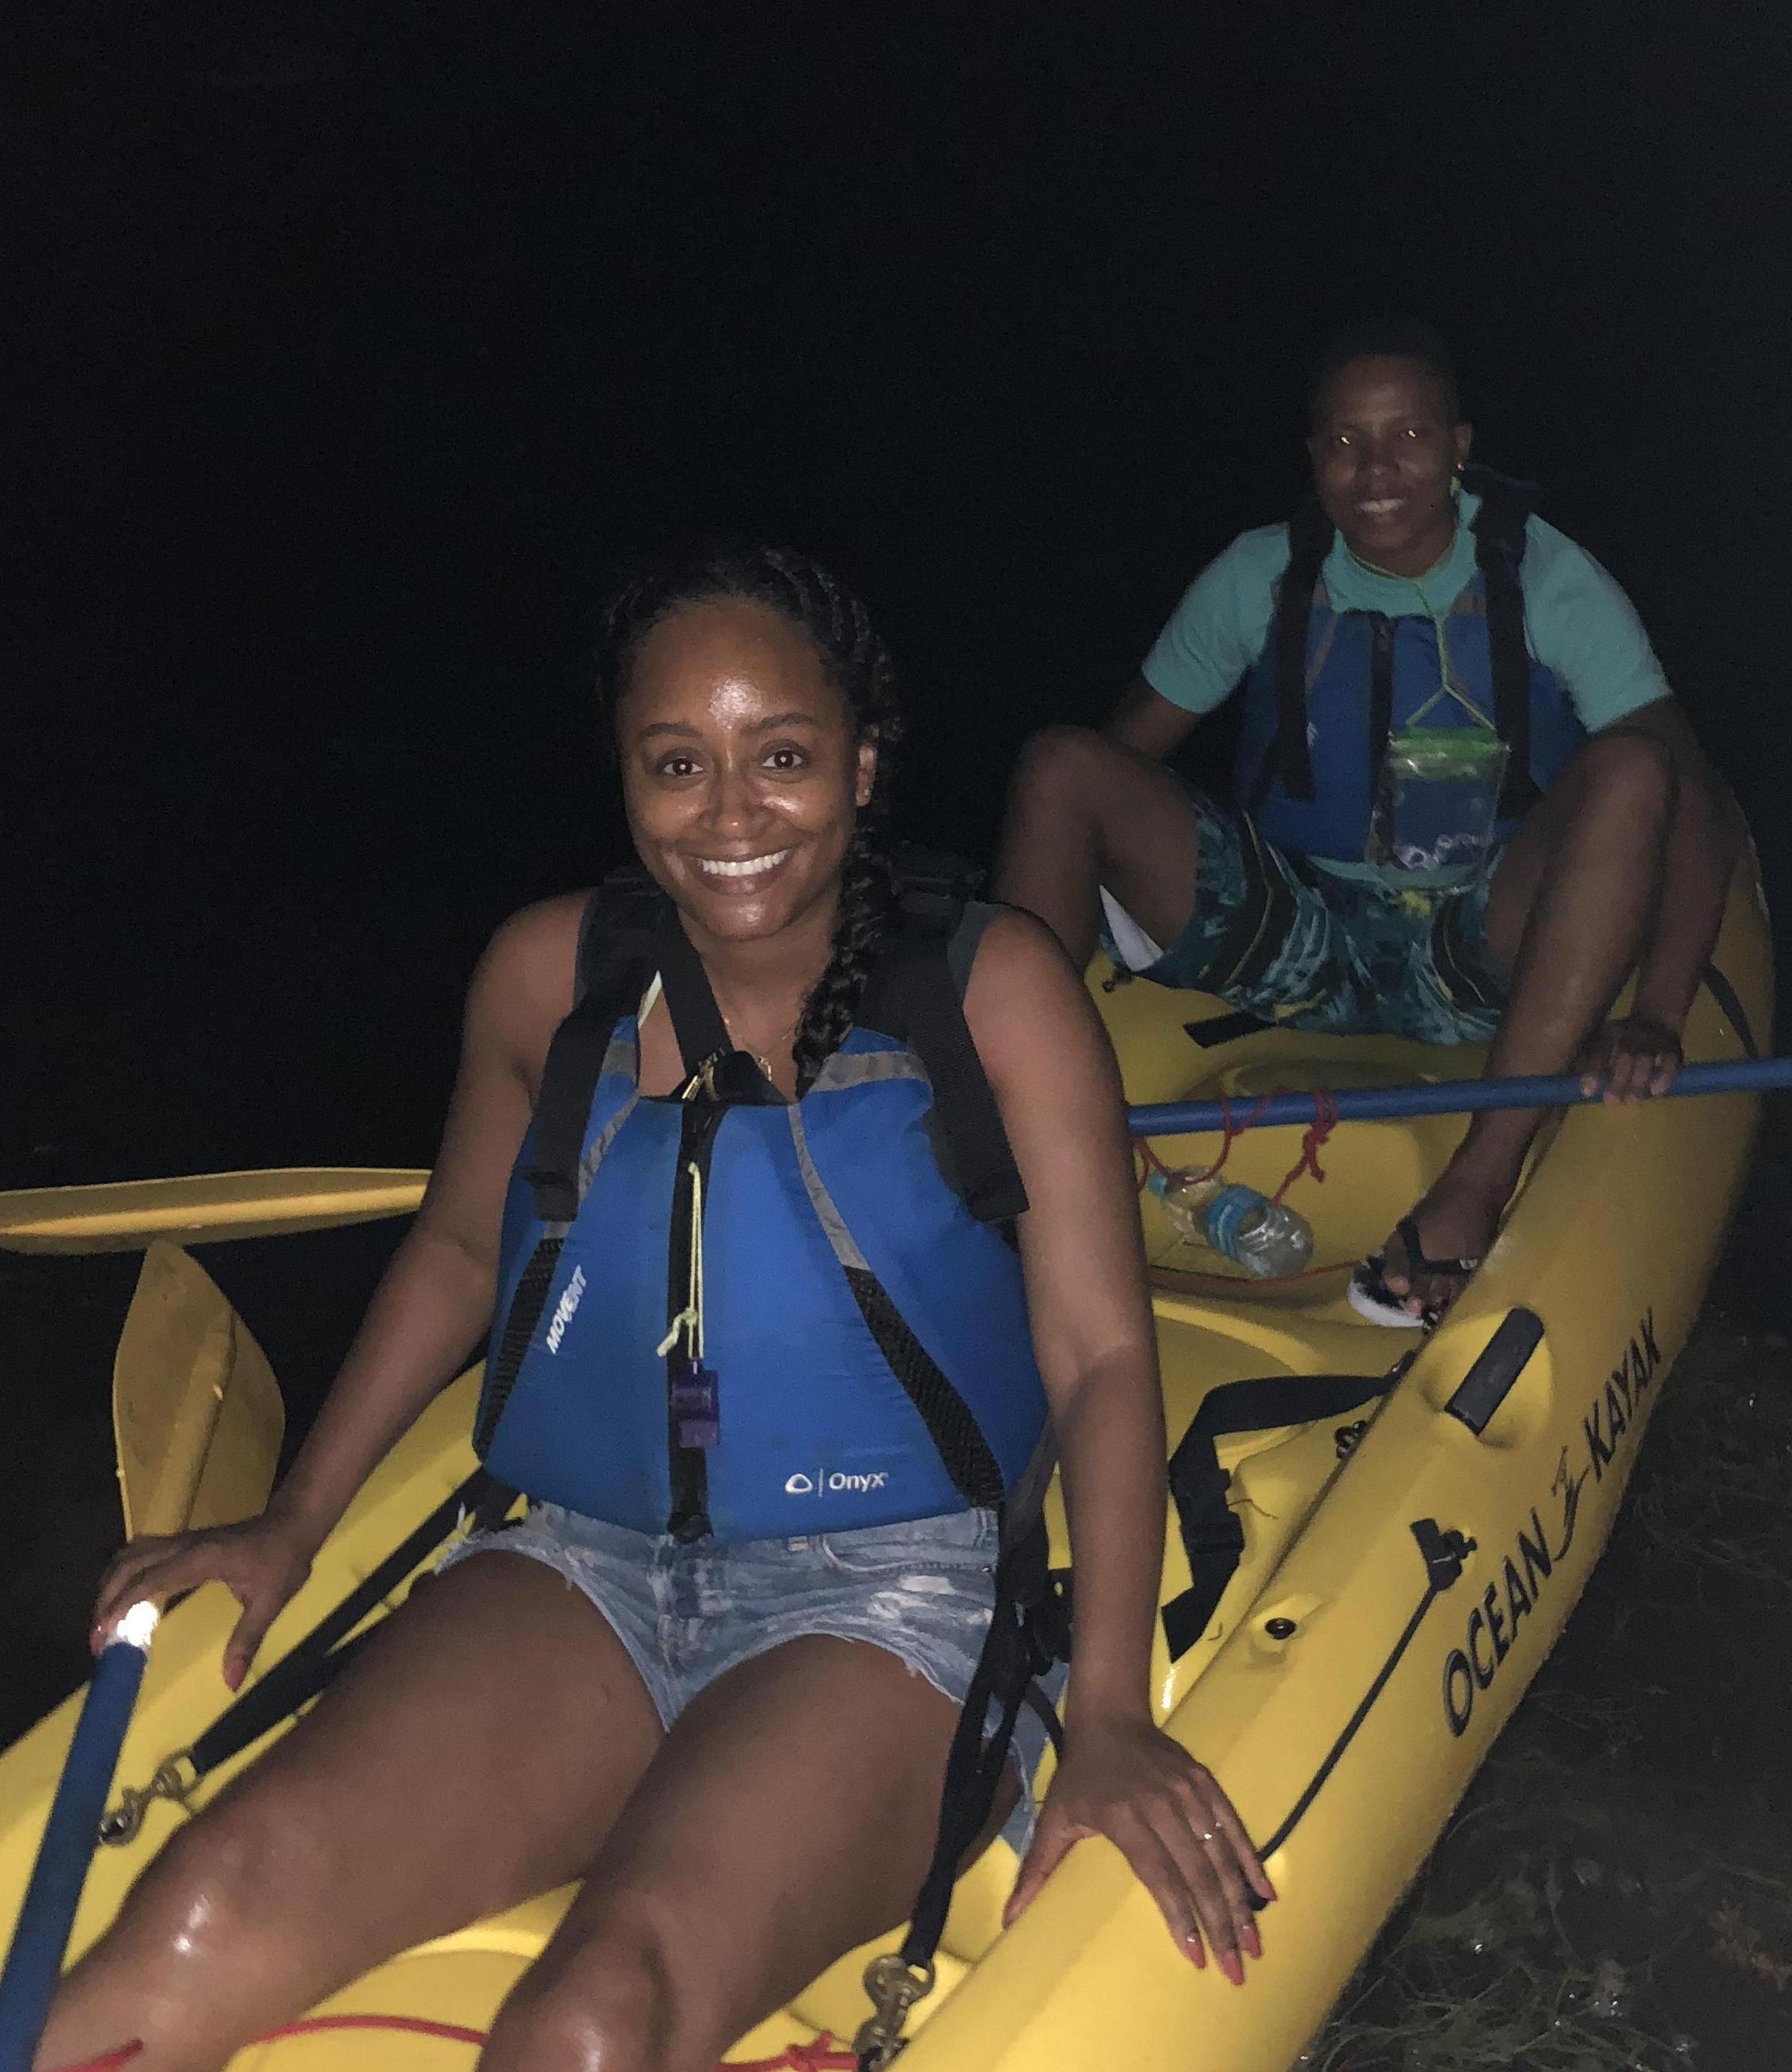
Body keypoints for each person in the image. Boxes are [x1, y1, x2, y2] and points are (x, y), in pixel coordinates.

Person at [44, 544, 1270, 2072]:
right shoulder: (541, 976)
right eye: (677, 763)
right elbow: (457, 1254)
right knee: (200, 1909)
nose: (733, 813)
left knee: (587, 2023)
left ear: (865, 766)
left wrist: (1106, 1709)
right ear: (624, 775)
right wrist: (294, 1517)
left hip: (887, 1600)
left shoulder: (996, 988)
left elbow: (1095, 1357)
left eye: (784, 757)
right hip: (579, 1562)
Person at [994, 321, 1741, 1327]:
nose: (1376, 469)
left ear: (1458, 446)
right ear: (1313, 460)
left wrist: (1655, 1009)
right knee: (1057, 764)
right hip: (1294, 931)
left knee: (1636, 765)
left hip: (1476, 947)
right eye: (1345, 442)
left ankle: (1472, 1188)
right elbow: (1119, 761)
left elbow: (1687, 795)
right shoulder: (1255, 573)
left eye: (1409, 437)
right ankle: (997, 1120)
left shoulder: (1550, 578)